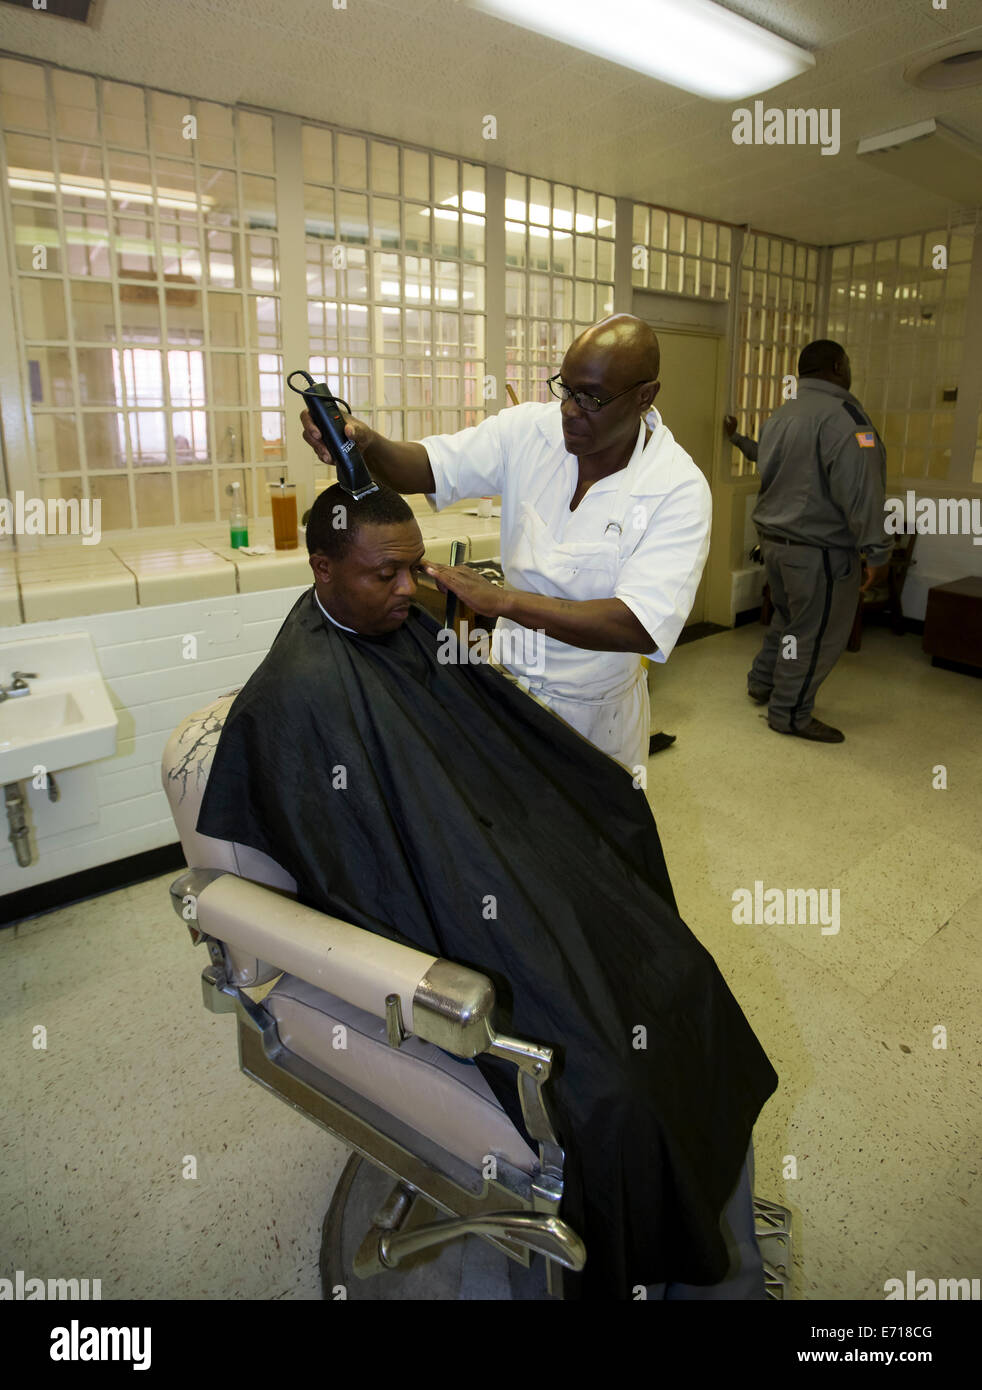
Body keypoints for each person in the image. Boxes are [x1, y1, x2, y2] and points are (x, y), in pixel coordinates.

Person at [195, 483, 778, 1300]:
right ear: (321, 569)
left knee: (679, 970)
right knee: (616, 1086)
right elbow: (363, 874)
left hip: (489, 865)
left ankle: (715, 1237)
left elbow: (481, 737)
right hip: (443, 918)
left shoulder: (401, 629)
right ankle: (668, 1264)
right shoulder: (296, 699)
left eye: (413, 570)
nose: (408, 590)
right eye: (384, 575)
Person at [299, 314, 711, 775]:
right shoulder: (528, 433)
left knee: (586, 839)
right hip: (509, 686)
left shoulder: (676, 489)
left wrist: (503, 602)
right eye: (566, 389)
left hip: (595, 713)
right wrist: (367, 442)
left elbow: (639, 625)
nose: (570, 411)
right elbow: (424, 468)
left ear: (645, 396)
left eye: (591, 398)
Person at [724, 340, 891, 743]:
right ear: (838, 365)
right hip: (820, 554)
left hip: (776, 547)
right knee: (813, 635)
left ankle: (762, 682)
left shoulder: (783, 415)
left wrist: (736, 440)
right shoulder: (847, 419)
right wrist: (878, 552)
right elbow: (862, 490)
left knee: (787, 622)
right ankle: (790, 714)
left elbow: (766, 458)